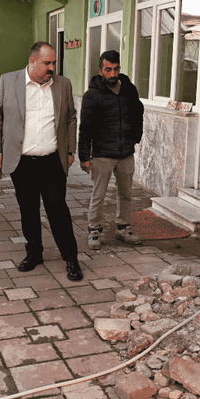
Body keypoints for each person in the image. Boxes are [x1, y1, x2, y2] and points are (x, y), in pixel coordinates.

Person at [0, 42, 83, 281]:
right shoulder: (9, 81)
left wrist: (70, 150)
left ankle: (71, 259)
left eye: (53, 63)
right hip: (22, 163)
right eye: (47, 63)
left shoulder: (62, 85)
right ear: (32, 61)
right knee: (28, 210)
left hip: (52, 161)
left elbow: (71, 117)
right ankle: (34, 254)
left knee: (58, 209)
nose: (52, 68)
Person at [79, 50, 145, 249]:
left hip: (126, 153)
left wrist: (136, 137)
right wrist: (84, 156)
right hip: (102, 155)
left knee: (126, 193)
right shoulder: (92, 96)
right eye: (108, 70)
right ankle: (94, 231)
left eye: (116, 69)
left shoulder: (129, 90)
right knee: (98, 194)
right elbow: (85, 128)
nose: (112, 74)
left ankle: (124, 228)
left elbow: (138, 113)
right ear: (100, 70)